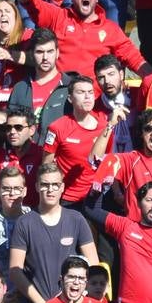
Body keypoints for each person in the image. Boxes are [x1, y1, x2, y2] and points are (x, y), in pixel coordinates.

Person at [17, 0, 148, 81]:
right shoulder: (58, 16)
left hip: (94, 101)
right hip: (60, 96)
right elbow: (28, 1)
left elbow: (135, 60)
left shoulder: (111, 29)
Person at [8, 163, 100, 303]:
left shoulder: (76, 219)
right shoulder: (24, 223)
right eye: (45, 185)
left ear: (62, 187)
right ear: (37, 186)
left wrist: (81, 296)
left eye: (55, 185)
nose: (50, 190)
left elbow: (94, 265)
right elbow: (15, 270)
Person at [42, 75, 114, 207]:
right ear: (70, 98)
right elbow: (46, 165)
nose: (87, 97)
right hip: (67, 199)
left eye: (90, 92)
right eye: (81, 92)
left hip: (96, 197)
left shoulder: (105, 125)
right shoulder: (57, 127)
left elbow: (107, 159)